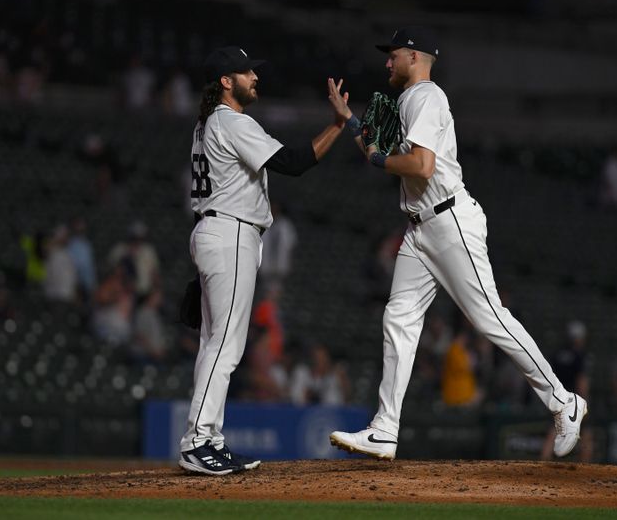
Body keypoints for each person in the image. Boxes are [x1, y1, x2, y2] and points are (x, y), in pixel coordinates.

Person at [329, 27, 586, 460]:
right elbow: (380, 149)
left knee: (489, 319)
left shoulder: (425, 97)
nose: (387, 62)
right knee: (399, 318)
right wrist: (350, 120)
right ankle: (385, 429)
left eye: (392, 55)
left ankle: (564, 401)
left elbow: (422, 166)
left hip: (449, 222)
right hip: (420, 227)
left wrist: (376, 158)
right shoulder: (410, 100)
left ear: (414, 55)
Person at [178, 45, 351, 475]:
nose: (255, 77)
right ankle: (198, 440)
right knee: (226, 344)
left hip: (214, 230)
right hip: (231, 232)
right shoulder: (230, 121)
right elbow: (293, 162)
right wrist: (338, 124)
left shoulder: (205, 125)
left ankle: (208, 437)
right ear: (225, 81)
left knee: (213, 343)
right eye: (246, 72)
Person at [541, 321, 594, 462]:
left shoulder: (557, 354)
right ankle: (585, 468)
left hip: (558, 398)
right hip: (575, 400)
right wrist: (585, 400)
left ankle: (543, 464)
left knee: (553, 430)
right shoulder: (580, 355)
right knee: (586, 433)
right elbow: (581, 381)